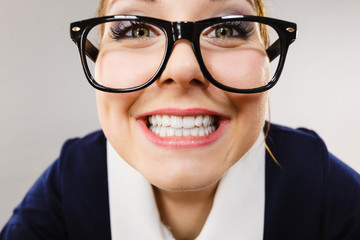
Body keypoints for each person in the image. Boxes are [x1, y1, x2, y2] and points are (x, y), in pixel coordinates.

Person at [1, 0, 360, 239]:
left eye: (227, 28)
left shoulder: (328, 194)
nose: (182, 66)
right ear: (97, 56)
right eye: (136, 28)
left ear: (268, 55)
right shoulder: (70, 185)